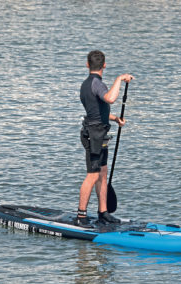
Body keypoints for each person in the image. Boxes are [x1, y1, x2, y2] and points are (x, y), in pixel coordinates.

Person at [76, 50, 134, 227]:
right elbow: (110, 98)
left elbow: (96, 111)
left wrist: (115, 118)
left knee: (102, 174)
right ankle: (81, 216)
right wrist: (119, 79)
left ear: (87, 64)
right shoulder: (97, 83)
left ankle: (103, 213)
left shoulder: (87, 84)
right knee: (92, 176)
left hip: (99, 134)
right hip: (93, 136)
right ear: (104, 65)